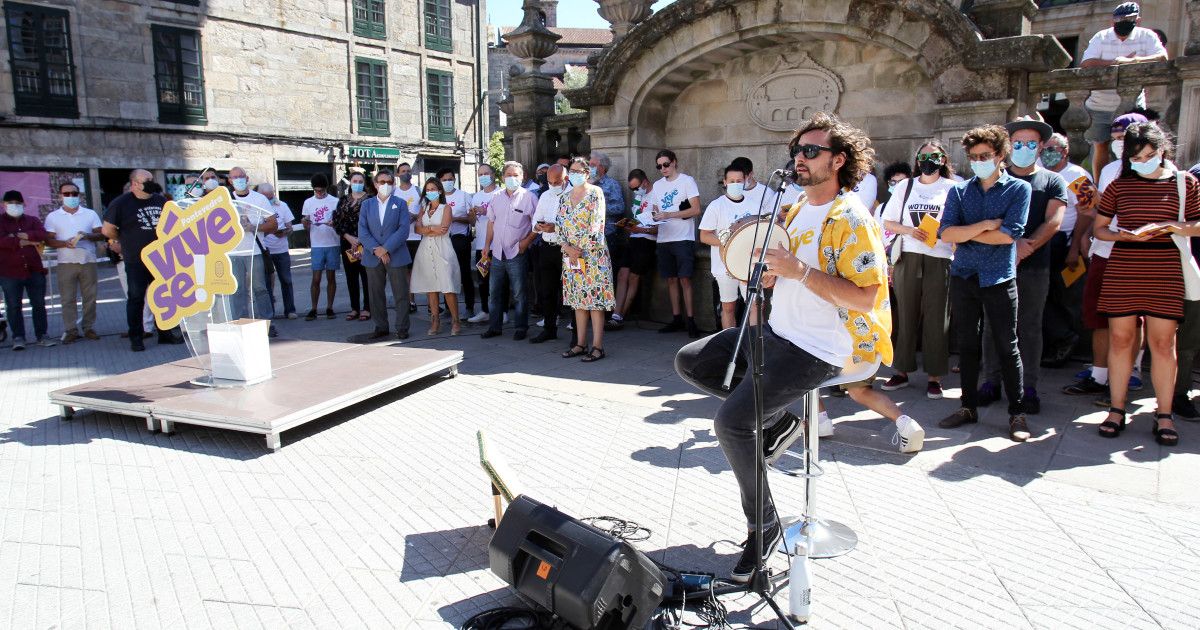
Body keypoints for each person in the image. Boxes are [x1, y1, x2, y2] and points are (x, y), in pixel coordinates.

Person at [675, 112, 891, 583]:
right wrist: (773, 273)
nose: (800, 158)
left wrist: (800, 273)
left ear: (839, 160)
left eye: (811, 151)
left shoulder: (852, 218)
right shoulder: (793, 208)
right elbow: (787, 268)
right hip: (776, 332)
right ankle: (780, 424)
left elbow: (868, 296)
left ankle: (764, 527)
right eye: (797, 150)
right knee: (692, 360)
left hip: (817, 348)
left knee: (731, 424)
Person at [1092, 123, 1199, 447]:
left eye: (1150, 155)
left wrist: (1171, 227)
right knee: (1122, 340)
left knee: (1164, 344)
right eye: (1137, 158)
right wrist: (1122, 234)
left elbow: (1197, 225)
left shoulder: (1185, 183)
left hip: (1164, 269)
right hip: (1124, 267)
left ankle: (1163, 414)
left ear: (1162, 151)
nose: (1144, 162)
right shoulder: (1119, 186)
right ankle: (1116, 408)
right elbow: (1100, 228)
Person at [937, 125, 1033, 442]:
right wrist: (986, 225)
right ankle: (967, 406)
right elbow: (947, 233)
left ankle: (1017, 413)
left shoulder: (1018, 190)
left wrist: (970, 232)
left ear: (1001, 155)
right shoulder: (959, 191)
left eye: (985, 156)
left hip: (999, 279)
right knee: (966, 346)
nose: (979, 161)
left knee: (1008, 346)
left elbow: (1009, 235)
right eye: (974, 157)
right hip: (964, 275)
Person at [1063, 113, 1158, 400]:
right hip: (1104, 250)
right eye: (1115, 139)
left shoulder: (1160, 171)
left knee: (1133, 318)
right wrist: (1086, 230)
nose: (1120, 144)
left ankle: (1132, 373)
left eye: (1124, 138)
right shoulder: (1108, 170)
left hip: (1137, 254)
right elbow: (1099, 210)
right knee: (1097, 314)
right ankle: (1100, 373)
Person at [976, 116, 1067, 415]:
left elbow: (1054, 220)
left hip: (1034, 266)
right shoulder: (993, 179)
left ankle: (1028, 387)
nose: (1024, 148)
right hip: (994, 263)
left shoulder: (1051, 181)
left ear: (1041, 146)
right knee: (992, 325)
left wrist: (1026, 246)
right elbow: (981, 217)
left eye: (1030, 143)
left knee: (1029, 327)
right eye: (1018, 143)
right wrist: (1008, 243)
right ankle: (991, 382)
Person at [879, 140, 957, 399]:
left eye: (933, 156)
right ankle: (901, 370)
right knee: (905, 315)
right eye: (923, 156)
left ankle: (935, 376)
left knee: (937, 318)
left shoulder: (954, 187)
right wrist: (911, 231)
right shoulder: (906, 186)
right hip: (909, 256)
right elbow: (888, 221)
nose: (928, 161)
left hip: (940, 257)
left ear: (943, 159)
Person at [1080, 2, 1168, 181]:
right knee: (1101, 145)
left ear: (1138, 20)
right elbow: (1087, 63)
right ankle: (1100, 183)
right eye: (1119, 20)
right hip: (1100, 103)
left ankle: (1133, 181)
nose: (1122, 23)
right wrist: (1116, 61)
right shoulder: (1101, 36)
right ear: (1112, 22)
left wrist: (1133, 61)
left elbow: (1162, 57)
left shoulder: (1146, 36)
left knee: (1137, 144)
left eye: (1128, 20)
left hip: (1132, 103)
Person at [102, 170, 184, 351]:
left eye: (152, 180)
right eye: (147, 180)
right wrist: (123, 239)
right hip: (136, 258)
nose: (151, 183)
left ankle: (166, 333)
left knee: (163, 296)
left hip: (161, 258)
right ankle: (136, 337)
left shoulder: (160, 201)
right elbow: (107, 230)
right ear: (135, 184)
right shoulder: (121, 203)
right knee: (136, 298)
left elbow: (174, 223)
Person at [1041, 133, 1098, 367]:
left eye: (1052, 148)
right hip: (1039, 240)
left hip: (1063, 241)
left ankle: (1064, 340)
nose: (1047, 153)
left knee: (1060, 296)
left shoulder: (1077, 176)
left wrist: (1075, 246)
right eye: (1044, 149)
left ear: (1065, 152)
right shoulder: (1039, 170)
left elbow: (1089, 211)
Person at [558, 158, 616, 362]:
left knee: (595, 302)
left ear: (587, 173)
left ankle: (598, 347)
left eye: (578, 171)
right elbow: (560, 227)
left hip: (593, 255)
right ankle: (580, 344)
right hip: (571, 257)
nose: (574, 174)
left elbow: (597, 224)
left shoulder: (595, 193)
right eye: (571, 170)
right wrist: (567, 248)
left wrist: (579, 248)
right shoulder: (564, 197)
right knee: (578, 302)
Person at [699, 162, 768, 329]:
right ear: (725, 182)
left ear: (745, 181)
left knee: (757, 305)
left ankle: (753, 348)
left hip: (749, 266)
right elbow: (704, 235)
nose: (735, 184)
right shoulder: (717, 205)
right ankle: (730, 346)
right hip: (724, 266)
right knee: (728, 307)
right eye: (732, 181)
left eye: (739, 181)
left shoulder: (754, 205)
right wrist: (729, 242)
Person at [481, 162, 538, 341]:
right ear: (503, 177)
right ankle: (495, 326)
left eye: (515, 175)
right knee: (494, 292)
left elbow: (537, 224)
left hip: (517, 252)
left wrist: (526, 243)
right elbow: (491, 222)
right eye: (508, 174)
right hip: (497, 252)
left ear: (522, 177)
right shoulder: (496, 197)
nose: (511, 178)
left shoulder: (529, 197)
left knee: (520, 293)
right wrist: (486, 246)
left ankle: (521, 327)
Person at [650, 149, 702, 338]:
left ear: (674, 162)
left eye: (665, 164)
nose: (663, 168)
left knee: (685, 279)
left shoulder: (686, 181)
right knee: (671, 279)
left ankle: (691, 319)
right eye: (659, 166)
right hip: (664, 237)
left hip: (683, 237)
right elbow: (656, 209)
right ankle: (676, 317)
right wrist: (653, 218)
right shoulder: (657, 185)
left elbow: (696, 209)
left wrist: (669, 214)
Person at [43, 181, 104, 342]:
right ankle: (71, 329)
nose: (71, 196)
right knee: (67, 298)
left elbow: (101, 234)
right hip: (65, 262)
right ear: (60, 196)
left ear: (79, 195)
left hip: (88, 261)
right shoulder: (53, 217)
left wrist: (87, 235)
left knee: (90, 297)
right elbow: (48, 240)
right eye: (67, 194)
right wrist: (64, 243)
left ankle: (88, 327)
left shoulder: (90, 214)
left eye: (74, 194)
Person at [358, 169, 412, 341]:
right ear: (375, 184)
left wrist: (386, 249)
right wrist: (377, 250)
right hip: (372, 256)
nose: (386, 185)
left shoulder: (401, 204)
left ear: (393, 184)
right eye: (382, 182)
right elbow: (362, 230)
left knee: (401, 293)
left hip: (396, 254)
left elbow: (403, 230)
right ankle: (381, 326)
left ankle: (402, 327)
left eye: (389, 182)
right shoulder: (367, 205)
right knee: (375, 294)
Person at [225, 167, 277, 330]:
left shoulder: (260, 199)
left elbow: (273, 224)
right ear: (230, 181)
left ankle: (267, 323)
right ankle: (241, 324)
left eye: (241, 176)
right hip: (233, 252)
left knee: (260, 288)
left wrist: (254, 227)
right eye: (235, 177)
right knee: (237, 290)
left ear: (247, 179)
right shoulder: (225, 200)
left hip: (254, 251)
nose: (239, 180)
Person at [1, 190, 54, 350]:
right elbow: (2, 241)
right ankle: (18, 337)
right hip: (9, 272)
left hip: (34, 269)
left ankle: (42, 335)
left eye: (17, 203)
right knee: (13, 305)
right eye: (10, 203)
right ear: (4, 205)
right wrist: (20, 240)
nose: (14, 206)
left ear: (23, 204)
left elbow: (42, 235)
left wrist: (27, 236)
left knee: (38, 303)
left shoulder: (32, 220)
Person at [411, 177, 462, 335]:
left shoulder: (446, 208)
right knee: (430, 287)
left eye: (433, 189)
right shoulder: (424, 208)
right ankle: (435, 320)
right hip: (426, 249)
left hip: (443, 248)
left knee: (447, 286)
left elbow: (443, 229)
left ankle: (455, 320)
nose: (430, 192)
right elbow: (417, 229)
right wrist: (431, 229)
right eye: (428, 189)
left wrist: (427, 229)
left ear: (439, 191)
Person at [614, 169, 658, 323]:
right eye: (631, 188)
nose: (634, 191)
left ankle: (622, 315)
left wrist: (641, 229)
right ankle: (616, 312)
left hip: (647, 239)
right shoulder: (638, 195)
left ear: (645, 182)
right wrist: (630, 225)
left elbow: (659, 227)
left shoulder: (657, 194)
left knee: (634, 276)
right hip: (634, 238)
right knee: (622, 274)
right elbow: (636, 216)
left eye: (636, 187)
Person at [530, 165, 566, 343]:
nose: (553, 185)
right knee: (547, 290)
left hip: (565, 247)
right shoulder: (545, 195)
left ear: (565, 179)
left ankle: (577, 332)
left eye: (556, 182)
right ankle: (549, 328)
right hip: (546, 245)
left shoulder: (572, 195)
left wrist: (556, 227)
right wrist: (538, 226)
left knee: (570, 290)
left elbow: (575, 224)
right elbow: (535, 220)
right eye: (550, 182)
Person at [333, 171, 371, 322]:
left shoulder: (369, 200)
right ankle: (354, 308)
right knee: (351, 276)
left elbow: (373, 221)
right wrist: (348, 237)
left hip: (365, 243)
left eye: (360, 181)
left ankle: (367, 307)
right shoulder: (343, 200)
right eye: (354, 180)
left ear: (364, 183)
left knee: (366, 276)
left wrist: (360, 239)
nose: (357, 183)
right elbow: (336, 221)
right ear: (350, 182)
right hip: (348, 243)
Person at [438, 168, 475, 321]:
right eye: (444, 180)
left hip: (461, 239)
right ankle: (448, 307)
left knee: (465, 274)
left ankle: (469, 307)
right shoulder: (437, 198)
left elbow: (472, 220)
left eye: (450, 179)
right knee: (447, 274)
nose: (448, 182)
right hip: (443, 239)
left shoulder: (464, 196)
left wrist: (454, 218)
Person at [302, 173, 339, 320]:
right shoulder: (308, 202)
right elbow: (305, 222)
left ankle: (330, 307)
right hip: (317, 244)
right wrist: (305, 222)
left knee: (331, 277)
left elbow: (340, 221)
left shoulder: (335, 201)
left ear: (326, 188)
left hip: (332, 242)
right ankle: (314, 308)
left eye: (321, 190)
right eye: (316, 190)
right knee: (316, 278)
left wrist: (334, 222)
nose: (319, 193)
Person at [257, 183, 296, 320]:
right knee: (266, 283)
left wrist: (285, 232)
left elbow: (290, 227)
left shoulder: (282, 206)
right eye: (266, 197)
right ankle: (270, 313)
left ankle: (290, 310)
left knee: (286, 280)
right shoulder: (256, 207)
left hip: (281, 249)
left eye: (271, 196)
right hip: (265, 249)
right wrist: (268, 231)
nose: (270, 199)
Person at [469, 165, 498, 324]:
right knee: (483, 280)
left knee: (499, 281)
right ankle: (485, 310)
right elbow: (473, 223)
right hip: (481, 245)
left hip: (497, 245)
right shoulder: (476, 196)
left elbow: (501, 216)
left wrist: (485, 210)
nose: (483, 176)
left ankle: (502, 311)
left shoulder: (499, 193)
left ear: (493, 174)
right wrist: (472, 215)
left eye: (486, 173)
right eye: (480, 174)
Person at [395, 162, 421, 316]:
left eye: (408, 170)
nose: (406, 173)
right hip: (401, 238)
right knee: (405, 272)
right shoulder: (394, 193)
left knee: (420, 271)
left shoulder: (418, 190)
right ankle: (410, 301)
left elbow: (425, 211)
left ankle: (432, 303)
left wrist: (415, 217)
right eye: (403, 171)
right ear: (398, 174)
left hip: (417, 237)